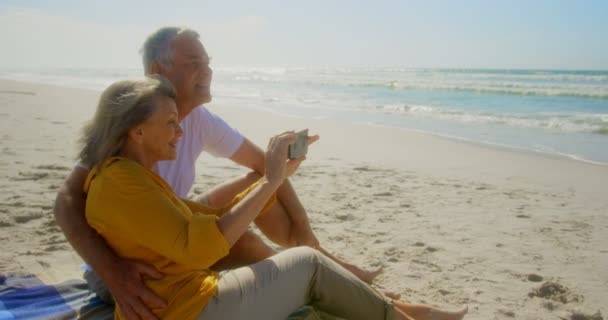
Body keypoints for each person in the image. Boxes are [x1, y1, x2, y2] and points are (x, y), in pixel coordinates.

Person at [53, 26, 379, 319]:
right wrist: (112, 272)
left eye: (208, 61)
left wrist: (304, 231)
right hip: (128, 262)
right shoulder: (127, 130)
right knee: (253, 234)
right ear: (158, 71)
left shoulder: (197, 119)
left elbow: (263, 167)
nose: (207, 70)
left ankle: (317, 266)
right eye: (194, 62)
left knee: (257, 200)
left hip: (174, 225)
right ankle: (312, 279)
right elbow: (66, 202)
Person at [81, 76, 468, 320]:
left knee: (307, 291)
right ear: (135, 131)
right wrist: (269, 181)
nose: (178, 134)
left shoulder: (129, 176)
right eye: (169, 124)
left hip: (181, 303)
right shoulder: (121, 183)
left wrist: (276, 178)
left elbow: (207, 218)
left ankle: (401, 311)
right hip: (186, 309)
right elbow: (199, 248)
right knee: (308, 264)